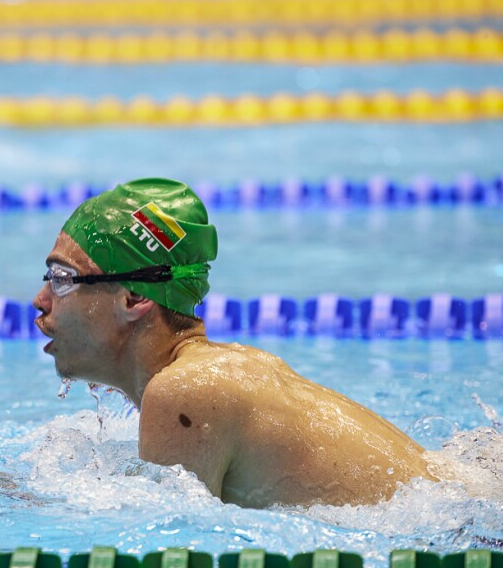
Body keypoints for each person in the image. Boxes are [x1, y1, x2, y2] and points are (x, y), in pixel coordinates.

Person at [31, 177, 435, 508]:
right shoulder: (223, 368)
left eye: (63, 280)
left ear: (134, 298)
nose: (41, 300)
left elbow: (167, 551)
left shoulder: (184, 391)